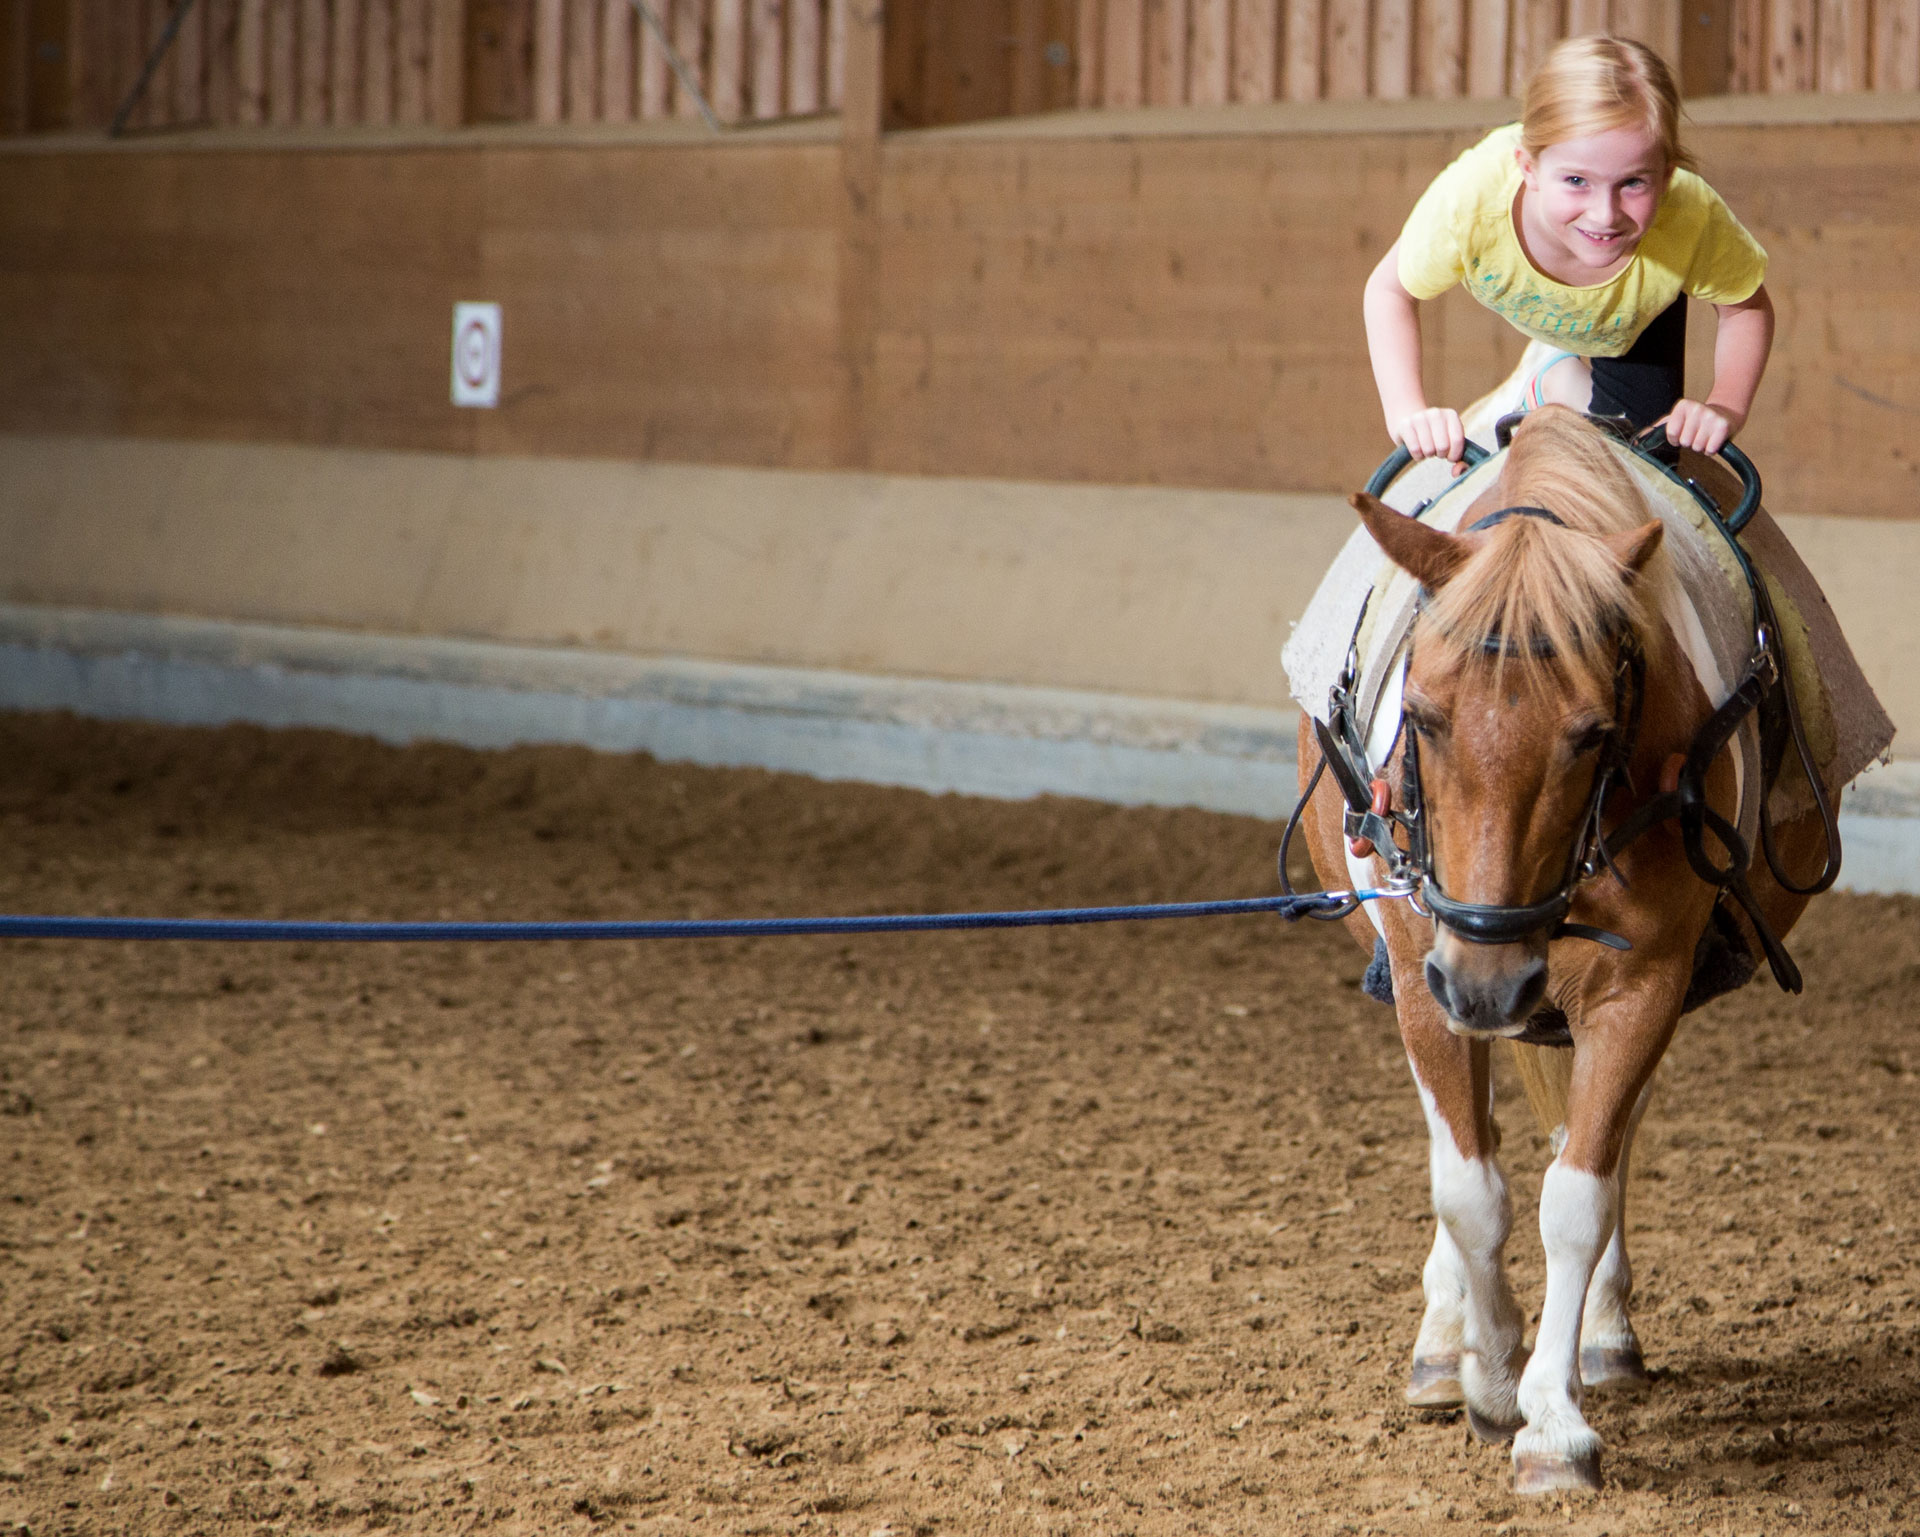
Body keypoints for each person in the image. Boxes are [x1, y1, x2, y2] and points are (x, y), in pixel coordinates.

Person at [1363, 35, 1773, 466]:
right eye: (1577, 181)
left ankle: (1564, 385)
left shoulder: (1689, 215)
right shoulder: (1470, 203)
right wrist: (1407, 412)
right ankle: (1548, 380)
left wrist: (1725, 406)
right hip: (1580, 305)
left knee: (1650, 461)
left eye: (1633, 183)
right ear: (1529, 168)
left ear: (1668, 176)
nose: (1604, 215)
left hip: (1631, 321)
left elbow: (1746, 308)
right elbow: (1390, 292)